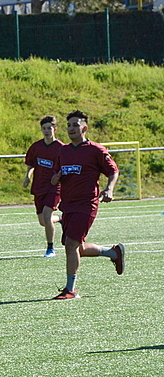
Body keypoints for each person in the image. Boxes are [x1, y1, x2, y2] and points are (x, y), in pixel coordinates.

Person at [49, 110, 125, 300]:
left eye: (75, 125)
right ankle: (113, 253)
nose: (71, 128)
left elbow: (113, 171)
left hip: (86, 204)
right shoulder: (63, 151)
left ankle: (70, 290)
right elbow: (55, 177)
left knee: (71, 245)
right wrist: (55, 178)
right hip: (68, 205)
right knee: (77, 248)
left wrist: (109, 189)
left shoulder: (95, 150)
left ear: (85, 128)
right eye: (69, 125)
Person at [22, 115, 64, 257]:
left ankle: (50, 248)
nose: (46, 131)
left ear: (55, 129)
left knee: (47, 215)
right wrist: (27, 177)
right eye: (44, 128)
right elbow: (31, 164)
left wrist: (59, 178)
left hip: (54, 187)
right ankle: (61, 219)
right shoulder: (36, 146)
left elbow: (66, 167)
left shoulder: (61, 148)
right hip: (39, 186)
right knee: (43, 221)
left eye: (49, 128)